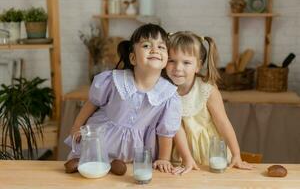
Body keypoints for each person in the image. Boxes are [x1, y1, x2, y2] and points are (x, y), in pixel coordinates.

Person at [64, 24, 181, 173]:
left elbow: (165, 133)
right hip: (101, 141)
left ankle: (114, 166)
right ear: (133, 58)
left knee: (123, 175)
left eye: (161, 47)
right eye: (146, 45)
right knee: (88, 170)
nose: (155, 50)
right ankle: (85, 161)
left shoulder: (168, 95)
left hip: (134, 154)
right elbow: (92, 103)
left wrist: (164, 158)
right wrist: (77, 126)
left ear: (166, 60)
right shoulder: (115, 81)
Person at [165, 31, 253, 174]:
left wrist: (237, 155)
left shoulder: (207, 89)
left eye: (186, 62)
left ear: (198, 66)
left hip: (210, 154)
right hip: (180, 156)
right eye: (171, 60)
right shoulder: (164, 89)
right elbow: (175, 128)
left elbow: (223, 123)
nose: (178, 68)